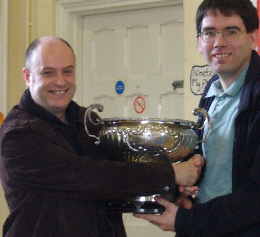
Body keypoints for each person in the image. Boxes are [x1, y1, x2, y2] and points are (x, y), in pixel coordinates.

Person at [0, 36, 204, 236]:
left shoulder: (86, 120)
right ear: (27, 76)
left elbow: (122, 174)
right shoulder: (18, 134)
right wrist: (170, 174)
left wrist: (173, 191)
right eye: (48, 72)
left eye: (67, 71)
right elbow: (86, 177)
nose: (61, 81)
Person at [134, 0, 260, 236]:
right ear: (198, 42)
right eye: (210, 33)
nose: (219, 42)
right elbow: (218, 164)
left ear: (253, 38)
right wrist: (188, 192)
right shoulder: (212, 90)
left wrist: (189, 220)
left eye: (231, 31)